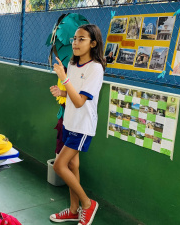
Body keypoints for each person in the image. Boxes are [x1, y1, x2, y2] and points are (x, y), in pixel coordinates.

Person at [49, 24, 105, 225]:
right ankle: (74, 210)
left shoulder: (96, 68)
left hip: (82, 127)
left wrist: (64, 80)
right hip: (69, 122)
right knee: (72, 165)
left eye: (81, 39)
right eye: (74, 38)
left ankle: (87, 204)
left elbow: (81, 101)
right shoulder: (73, 65)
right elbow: (74, 96)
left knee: (59, 166)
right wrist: (62, 92)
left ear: (93, 43)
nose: (75, 42)